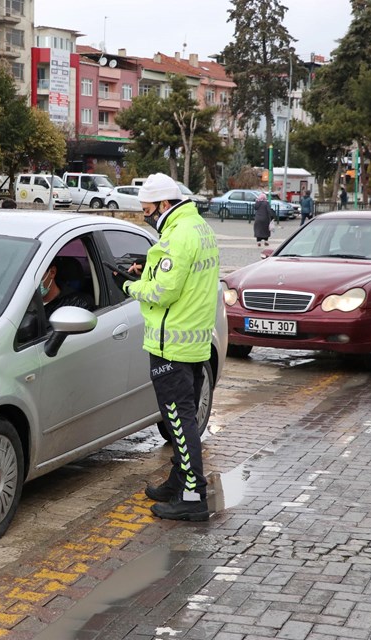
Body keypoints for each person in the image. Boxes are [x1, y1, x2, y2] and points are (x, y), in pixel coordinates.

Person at [116, 173, 218, 522]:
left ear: (164, 204)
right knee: (181, 419)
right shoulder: (199, 227)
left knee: (179, 420)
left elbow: (163, 292)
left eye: (147, 210)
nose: (146, 216)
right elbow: (180, 277)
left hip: (171, 344)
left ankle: (193, 495)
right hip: (194, 342)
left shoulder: (178, 237)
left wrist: (130, 287)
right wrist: (148, 267)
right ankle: (179, 480)